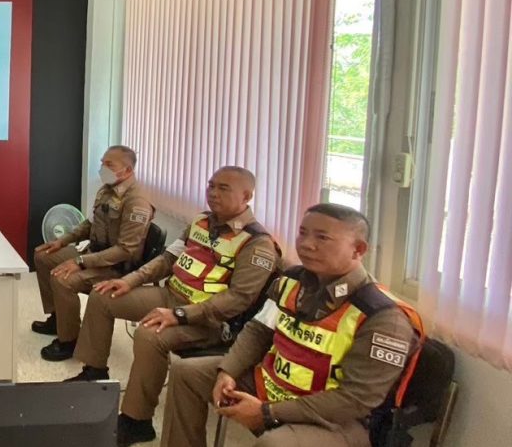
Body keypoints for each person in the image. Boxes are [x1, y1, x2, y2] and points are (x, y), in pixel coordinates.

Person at [160, 203, 421, 447]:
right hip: (272, 385)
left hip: (335, 419)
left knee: (275, 443)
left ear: (358, 250)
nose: (306, 244)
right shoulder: (291, 281)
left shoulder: (383, 317)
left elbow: (355, 400)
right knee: (187, 373)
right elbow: (258, 331)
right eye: (302, 233)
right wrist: (227, 371)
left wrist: (267, 412)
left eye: (322, 238)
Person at [67, 166, 280, 446]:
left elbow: (238, 299)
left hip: (209, 320)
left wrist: (180, 315)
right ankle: (94, 371)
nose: (213, 193)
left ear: (247, 196)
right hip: (172, 295)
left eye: (223, 188)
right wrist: (130, 280)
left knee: (149, 333)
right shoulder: (201, 221)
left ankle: (137, 420)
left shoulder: (257, 244)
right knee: (104, 295)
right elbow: (168, 259)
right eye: (211, 185)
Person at [32, 145, 153, 362]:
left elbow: (126, 250)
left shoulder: (137, 202)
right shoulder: (107, 190)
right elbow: (90, 224)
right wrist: (62, 241)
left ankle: (68, 340)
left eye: (109, 165)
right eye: (102, 163)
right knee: (44, 256)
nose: (102, 168)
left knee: (62, 278)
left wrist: (80, 261)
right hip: (95, 255)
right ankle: (58, 319)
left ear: (127, 170)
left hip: (115, 267)